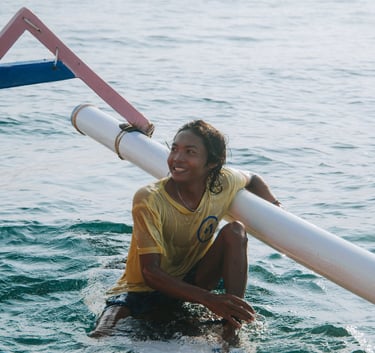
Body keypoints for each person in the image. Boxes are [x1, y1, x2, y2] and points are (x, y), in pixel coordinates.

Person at [90, 120, 281, 343]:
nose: (177, 159)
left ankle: (231, 324)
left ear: (212, 162)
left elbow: (253, 178)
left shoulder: (224, 182)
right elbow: (150, 273)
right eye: (174, 149)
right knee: (100, 336)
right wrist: (209, 300)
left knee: (235, 230)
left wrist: (277, 209)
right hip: (140, 291)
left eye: (190, 152)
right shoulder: (149, 198)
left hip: (193, 279)